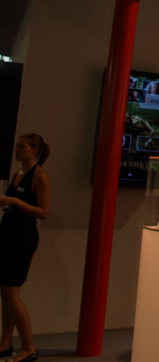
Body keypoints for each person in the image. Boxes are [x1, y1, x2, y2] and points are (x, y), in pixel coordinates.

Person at [0, 133, 51, 362]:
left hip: (23, 238)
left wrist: (16, 202)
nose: (17, 150)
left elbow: (43, 212)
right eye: (17, 146)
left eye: (22, 147)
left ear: (34, 150)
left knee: (11, 292)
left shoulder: (40, 176)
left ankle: (28, 347)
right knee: (6, 292)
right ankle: (5, 343)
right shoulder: (17, 173)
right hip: (8, 234)